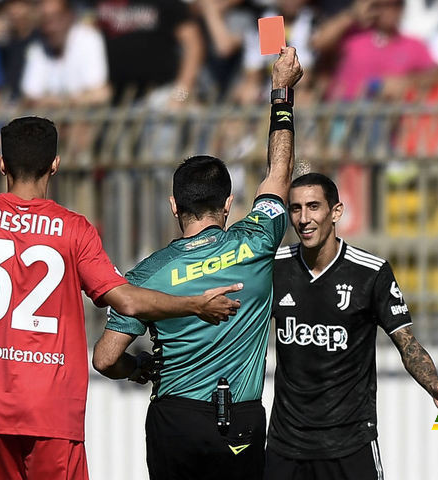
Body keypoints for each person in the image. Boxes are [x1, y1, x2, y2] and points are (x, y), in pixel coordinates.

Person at [0, 116, 242, 480]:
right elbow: (128, 302)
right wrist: (194, 304)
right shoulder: (73, 231)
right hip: (51, 404)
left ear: (2, 163)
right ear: (55, 165)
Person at [92, 46, 303, 480]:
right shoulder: (258, 239)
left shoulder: (148, 273)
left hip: (174, 418)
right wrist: (281, 93)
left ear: (174, 205)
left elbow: (105, 357)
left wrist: (139, 371)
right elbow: (279, 172)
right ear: (228, 204)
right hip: (239, 418)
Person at [265, 173, 438, 480]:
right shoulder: (275, 267)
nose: (304, 218)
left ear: (336, 211)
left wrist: (433, 383)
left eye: (314, 206)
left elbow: (405, 341)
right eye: (296, 208)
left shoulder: (370, 272)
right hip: (286, 443)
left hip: (350, 442)